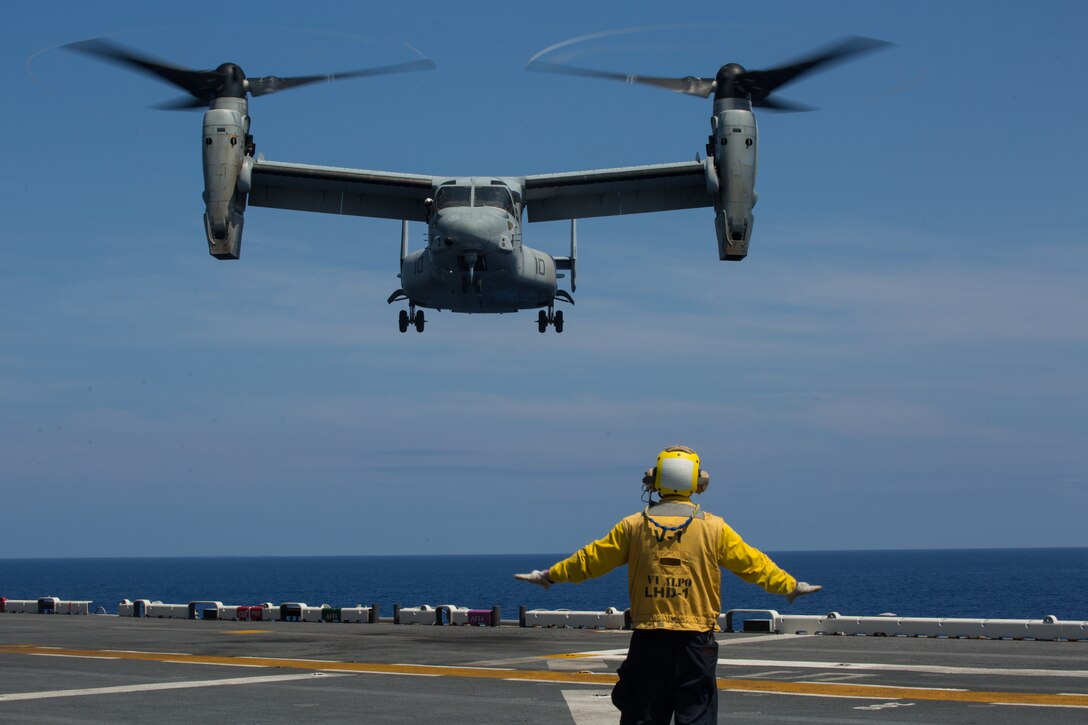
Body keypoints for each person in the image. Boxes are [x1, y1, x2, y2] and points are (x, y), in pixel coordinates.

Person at [515, 445, 822, 724]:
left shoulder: (634, 526)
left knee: (643, 716)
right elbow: (754, 565)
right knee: (697, 716)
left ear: (655, 481)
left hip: (650, 640)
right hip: (696, 643)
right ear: (698, 484)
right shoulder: (714, 528)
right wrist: (789, 586)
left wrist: (550, 575)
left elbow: (590, 560)